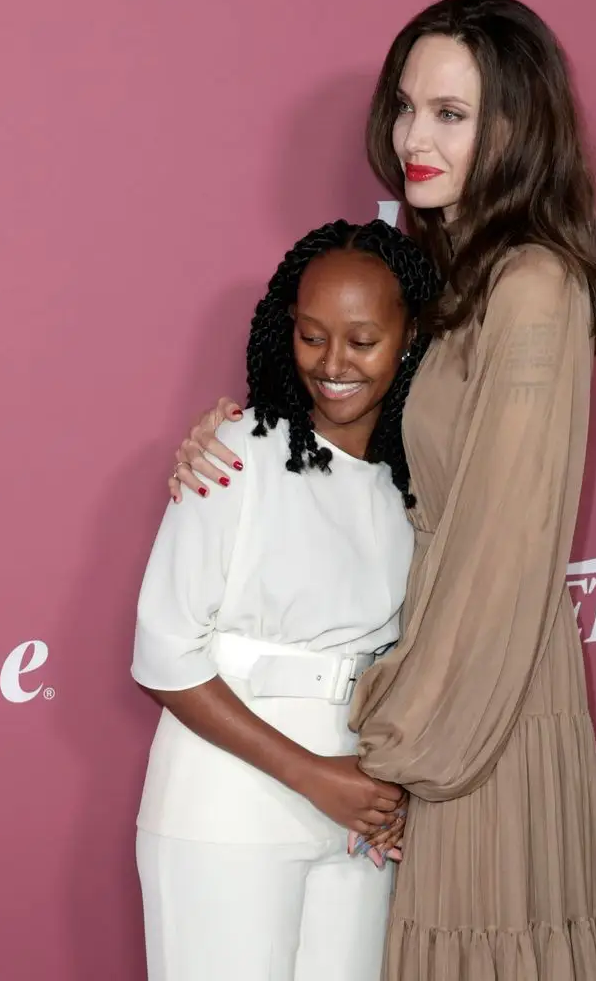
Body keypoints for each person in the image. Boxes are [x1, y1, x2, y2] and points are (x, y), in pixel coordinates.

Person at [168, 0, 596, 981]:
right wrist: (235, 427)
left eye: (449, 114)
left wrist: (400, 747)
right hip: (449, 698)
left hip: (478, 709)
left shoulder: (530, 289)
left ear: (514, 129)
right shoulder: (457, 278)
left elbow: (497, 551)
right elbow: (363, 431)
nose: (412, 135)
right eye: (406, 106)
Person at [132, 218, 440, 981]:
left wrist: (372, 786)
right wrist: (316, 777)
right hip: (226, 807)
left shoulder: (416, 485)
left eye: (362, 340)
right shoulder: (236, 454)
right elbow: (163, 656)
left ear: (408, 340)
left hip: (359, 815)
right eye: (311, 336)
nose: (333, 364)